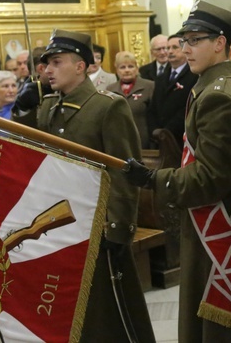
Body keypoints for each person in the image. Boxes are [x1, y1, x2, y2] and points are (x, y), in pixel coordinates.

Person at [123, 0, 231, 341]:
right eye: (184, 41)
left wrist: (153, 178)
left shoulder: (218, 95)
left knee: (223, 329)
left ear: (220, 43)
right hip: (225, 215)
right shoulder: (216, 85)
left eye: (194, 40)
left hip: (222, 222)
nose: (185, 49)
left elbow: (211, 177)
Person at [14, 30, 155, 341]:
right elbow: (28, 149)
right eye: (46, 63)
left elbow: (124, 170)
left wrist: (118, 228)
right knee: (66, 305)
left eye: (56, 62)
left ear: (81, 66)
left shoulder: (107, 107)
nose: (47, 69)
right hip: (57, 223)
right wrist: (23, 108)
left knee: (108, 311)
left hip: (97, 224)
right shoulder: (50, 104)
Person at [147, 34, 197, 148]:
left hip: (181, 138)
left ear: (185, 49)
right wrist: (155, 131)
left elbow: (188, 107)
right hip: (160, 138)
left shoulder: (193, 75)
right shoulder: (162, 76)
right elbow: (153, 108)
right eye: (168, 48)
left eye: (175, 47)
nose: (169, 51)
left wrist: (167, 131)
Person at [106, 51, 155, 149]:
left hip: (144, 141)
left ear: (137, 68)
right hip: (118, 141)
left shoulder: (150, 86)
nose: (127, 70)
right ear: (117, 70)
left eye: (130, 66)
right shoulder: (110, 89)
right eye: (122, 67)